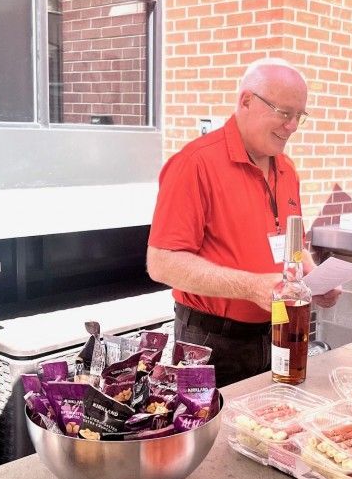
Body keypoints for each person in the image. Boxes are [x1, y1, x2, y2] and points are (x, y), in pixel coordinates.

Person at [146, 58, 340, 387]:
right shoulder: (195, 164)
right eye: (284, 113)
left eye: (299, 117)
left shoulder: (287, 169)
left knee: (276, 427)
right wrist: (250, 287)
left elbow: (292, 243)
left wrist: (313, 275)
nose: (292, 126)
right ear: (246, 101)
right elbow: (161, 263)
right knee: (221, 435)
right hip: (212, 340)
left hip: (279, 329)